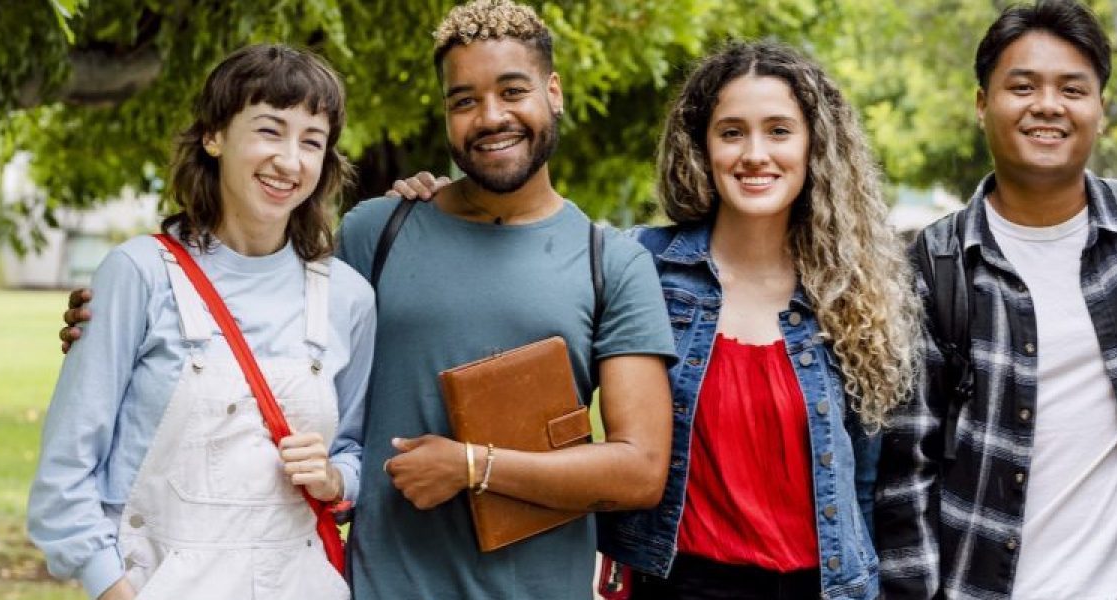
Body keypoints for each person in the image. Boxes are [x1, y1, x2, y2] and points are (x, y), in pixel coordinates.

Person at [60, 2, 679, 598]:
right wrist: (123, 313)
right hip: (376, 585)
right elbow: (256, 325)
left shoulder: (612, 263)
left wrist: (471, 465)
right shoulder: (378, 231)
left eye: (513, 92)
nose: (490, 116)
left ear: (555, 92)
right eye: (464, 101)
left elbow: (640, 470)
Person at [391, 40, 921, 600]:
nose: (755, 154)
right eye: (732, 132)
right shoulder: (639, 264)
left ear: (815, 147)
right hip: (676, 581)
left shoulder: (854, 291)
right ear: (702, 146)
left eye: (779, 131)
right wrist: (446, 210)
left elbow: (868, 481)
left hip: (823, 587)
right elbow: (517, 291)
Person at [874, 2, 1117, 599]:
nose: (1048, 105)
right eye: (1022, 86)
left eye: (1072, 88)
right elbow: (907, 473)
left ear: (1100, 108)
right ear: (983, 102)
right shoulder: (933, 269)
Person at [28, 44, 373, 600]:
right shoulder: (138, 274)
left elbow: (358, 453)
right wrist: (111, 588)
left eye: (311, 141)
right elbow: (65, 474)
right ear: (213, 136)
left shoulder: (348, 298)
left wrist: (335, 479)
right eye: (269, 130)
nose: (290, 160)